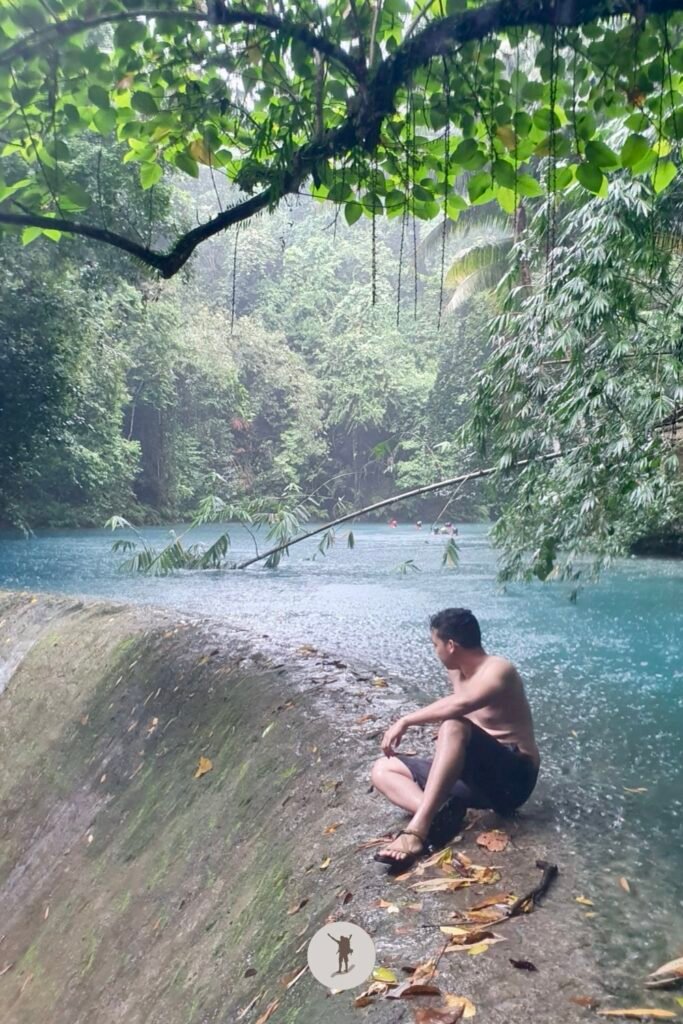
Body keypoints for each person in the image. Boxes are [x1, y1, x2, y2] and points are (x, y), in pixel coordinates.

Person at [370, 607, 540, 869]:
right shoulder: (457, 670)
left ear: (450, 645)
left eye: (434, 644)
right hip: (474, 780)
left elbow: (462, 704)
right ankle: (441, 813)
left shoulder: (499, 670)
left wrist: (405, 720)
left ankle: (417, 830)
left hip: (512, 782)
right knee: (383, 769)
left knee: (452, 725)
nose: (434, 651)